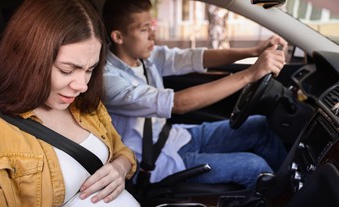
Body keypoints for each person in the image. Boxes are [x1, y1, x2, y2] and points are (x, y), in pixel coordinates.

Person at [0, 0, 314, 207]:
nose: (81, 83)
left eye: (90, 69)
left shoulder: (83, 105)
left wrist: (120, 168)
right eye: (68, 69)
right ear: (28, 57)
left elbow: (123, 152)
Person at [102, 0, 289, 188]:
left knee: (260, 127)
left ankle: (289, 189)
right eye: (144, 29)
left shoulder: (144, 58)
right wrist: (249, 74)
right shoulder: (108, 80)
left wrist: (254, 51)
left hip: (174, 137)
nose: (153, 34)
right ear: (118, 37)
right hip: (155, 161)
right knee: (254, 167)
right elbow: (178, 104)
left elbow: (193, 57)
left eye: (152, 26)